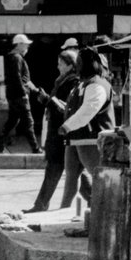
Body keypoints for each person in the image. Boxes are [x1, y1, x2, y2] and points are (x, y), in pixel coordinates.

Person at [22, 48, 82, 213]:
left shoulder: (73, 82)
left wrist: (46, 99)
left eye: (61, 64)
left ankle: (42, 205)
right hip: (58, 132)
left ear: (70, 65)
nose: (58, 67)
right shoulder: (62, 80)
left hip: (63, 132)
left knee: (60, 170)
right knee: (74, 173)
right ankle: (43, 205)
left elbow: (65, 108)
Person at [59, 47, 115, 212]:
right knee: (71, 178)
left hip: (90, 138)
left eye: (79, 61)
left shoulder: (96, 84)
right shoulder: (83, 83)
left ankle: (103, 211)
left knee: (97, 176)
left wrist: (68, 125)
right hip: (77, 137)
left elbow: (89, 110)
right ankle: (64, 211)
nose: (77, 65)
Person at [0, 33, 46, 154]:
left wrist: (35, 90)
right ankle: (35, 148)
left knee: (12, 121)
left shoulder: (13, 57)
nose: (27, 48)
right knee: (28, 122)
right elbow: (17, 77)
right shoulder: (17, 58)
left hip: (14, 95)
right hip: (19, 96)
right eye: (25, 45)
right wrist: (23, 93)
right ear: (19, 45)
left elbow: (25, 79)